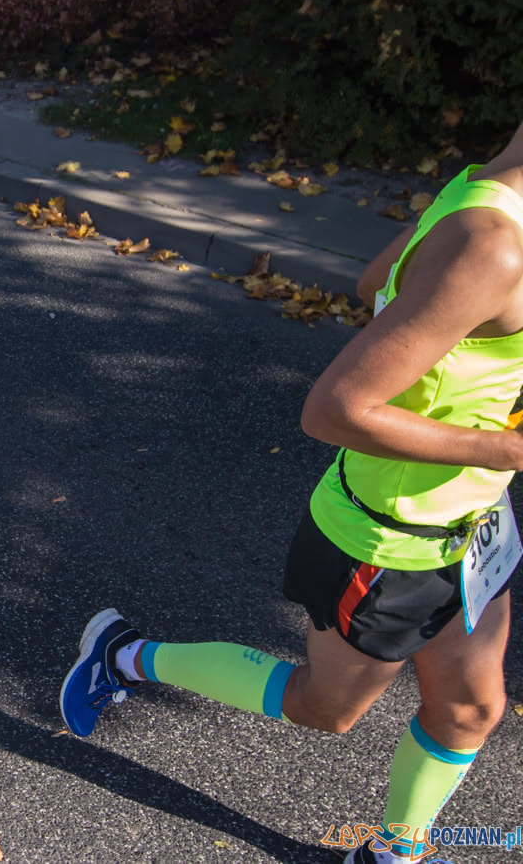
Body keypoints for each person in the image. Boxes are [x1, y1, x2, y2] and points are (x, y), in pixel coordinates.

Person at [60, 122, 523, 863]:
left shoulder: (481, 191)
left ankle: (393, 852)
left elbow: (376, 286)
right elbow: (334, 411)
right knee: (324, 707)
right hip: (390, 538)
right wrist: (505, 446)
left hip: (474, 524)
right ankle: (124, 654)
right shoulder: (492, 244)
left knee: (470, 708)